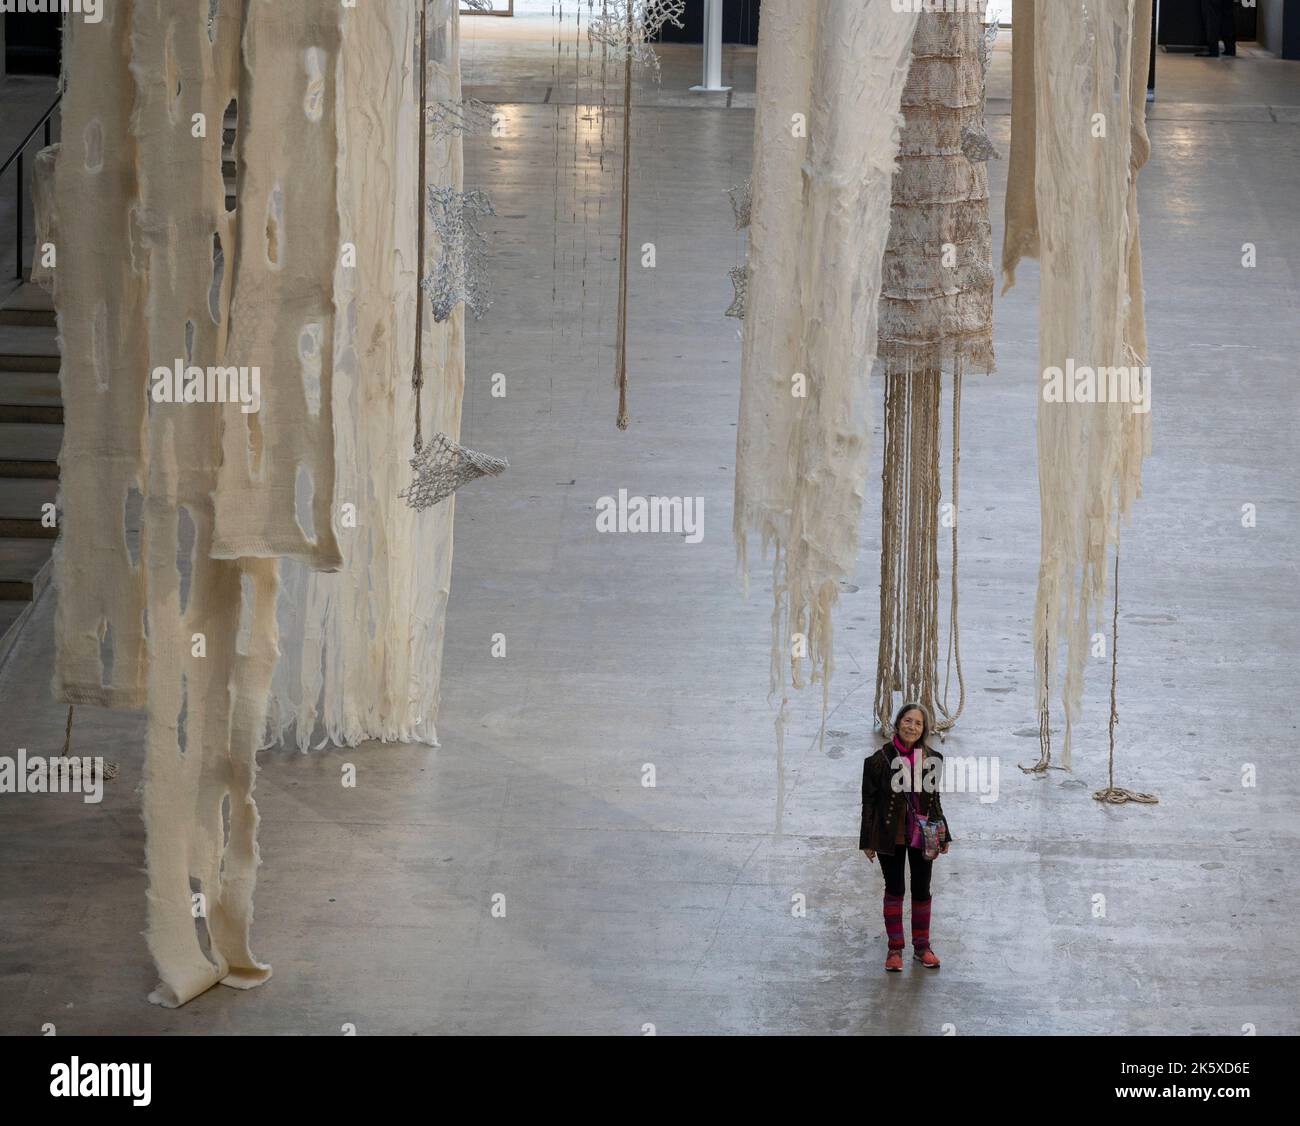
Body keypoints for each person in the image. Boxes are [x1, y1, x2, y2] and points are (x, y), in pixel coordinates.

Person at [860, 702, 952, 972]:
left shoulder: (933, 758)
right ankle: (895, 948)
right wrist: (867, 840)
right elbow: (868, 802)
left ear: (924, 729)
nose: (912, 727)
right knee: (895, 890)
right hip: (890, 836)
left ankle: (922, 947)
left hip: (924, 834)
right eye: (908, 721)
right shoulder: (878, 761)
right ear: (898, 722)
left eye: (918, 723)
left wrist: (944, 833)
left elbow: (934, 800)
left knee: (922, 890)